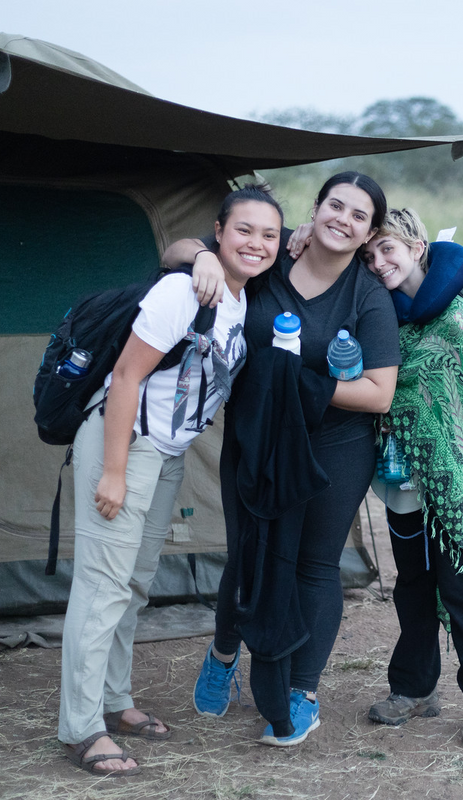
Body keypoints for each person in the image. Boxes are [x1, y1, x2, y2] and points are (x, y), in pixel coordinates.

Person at [163, 172, 398, 746]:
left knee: (315, 566)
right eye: (334, 205)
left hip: (334, 446)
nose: (342, 219)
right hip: (259, 438)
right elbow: (174, 248)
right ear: (314, 211)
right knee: (248, 553)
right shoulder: (269, 250)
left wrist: (301, 382)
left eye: (358, 215)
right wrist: (204, 259)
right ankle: (223, 656)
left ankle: (302, 690)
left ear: (368, 234)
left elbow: (379, 392)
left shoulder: (366, 295)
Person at [59, 184, 281, 776]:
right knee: (103, 586)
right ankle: (82, 728)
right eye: (243, 231)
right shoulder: (185, 291)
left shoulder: (237, 296)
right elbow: (127, 377)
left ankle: (115, 700)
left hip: (167, 455)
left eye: (269, 235)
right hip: (126, 446)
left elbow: (188, 250)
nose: (256, 244)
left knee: (132, 584)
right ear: (219, 231)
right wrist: (112, 471)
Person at [362, 209, 463, 744]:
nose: (379, 263)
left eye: (389, 250)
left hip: (449, 475)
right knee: (413, 585)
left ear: (419, 246)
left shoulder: (453, 316)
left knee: (462, 588)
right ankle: (414, 686)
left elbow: (428, 386)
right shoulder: (387, 312)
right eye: (371, 255)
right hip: (402, 477)